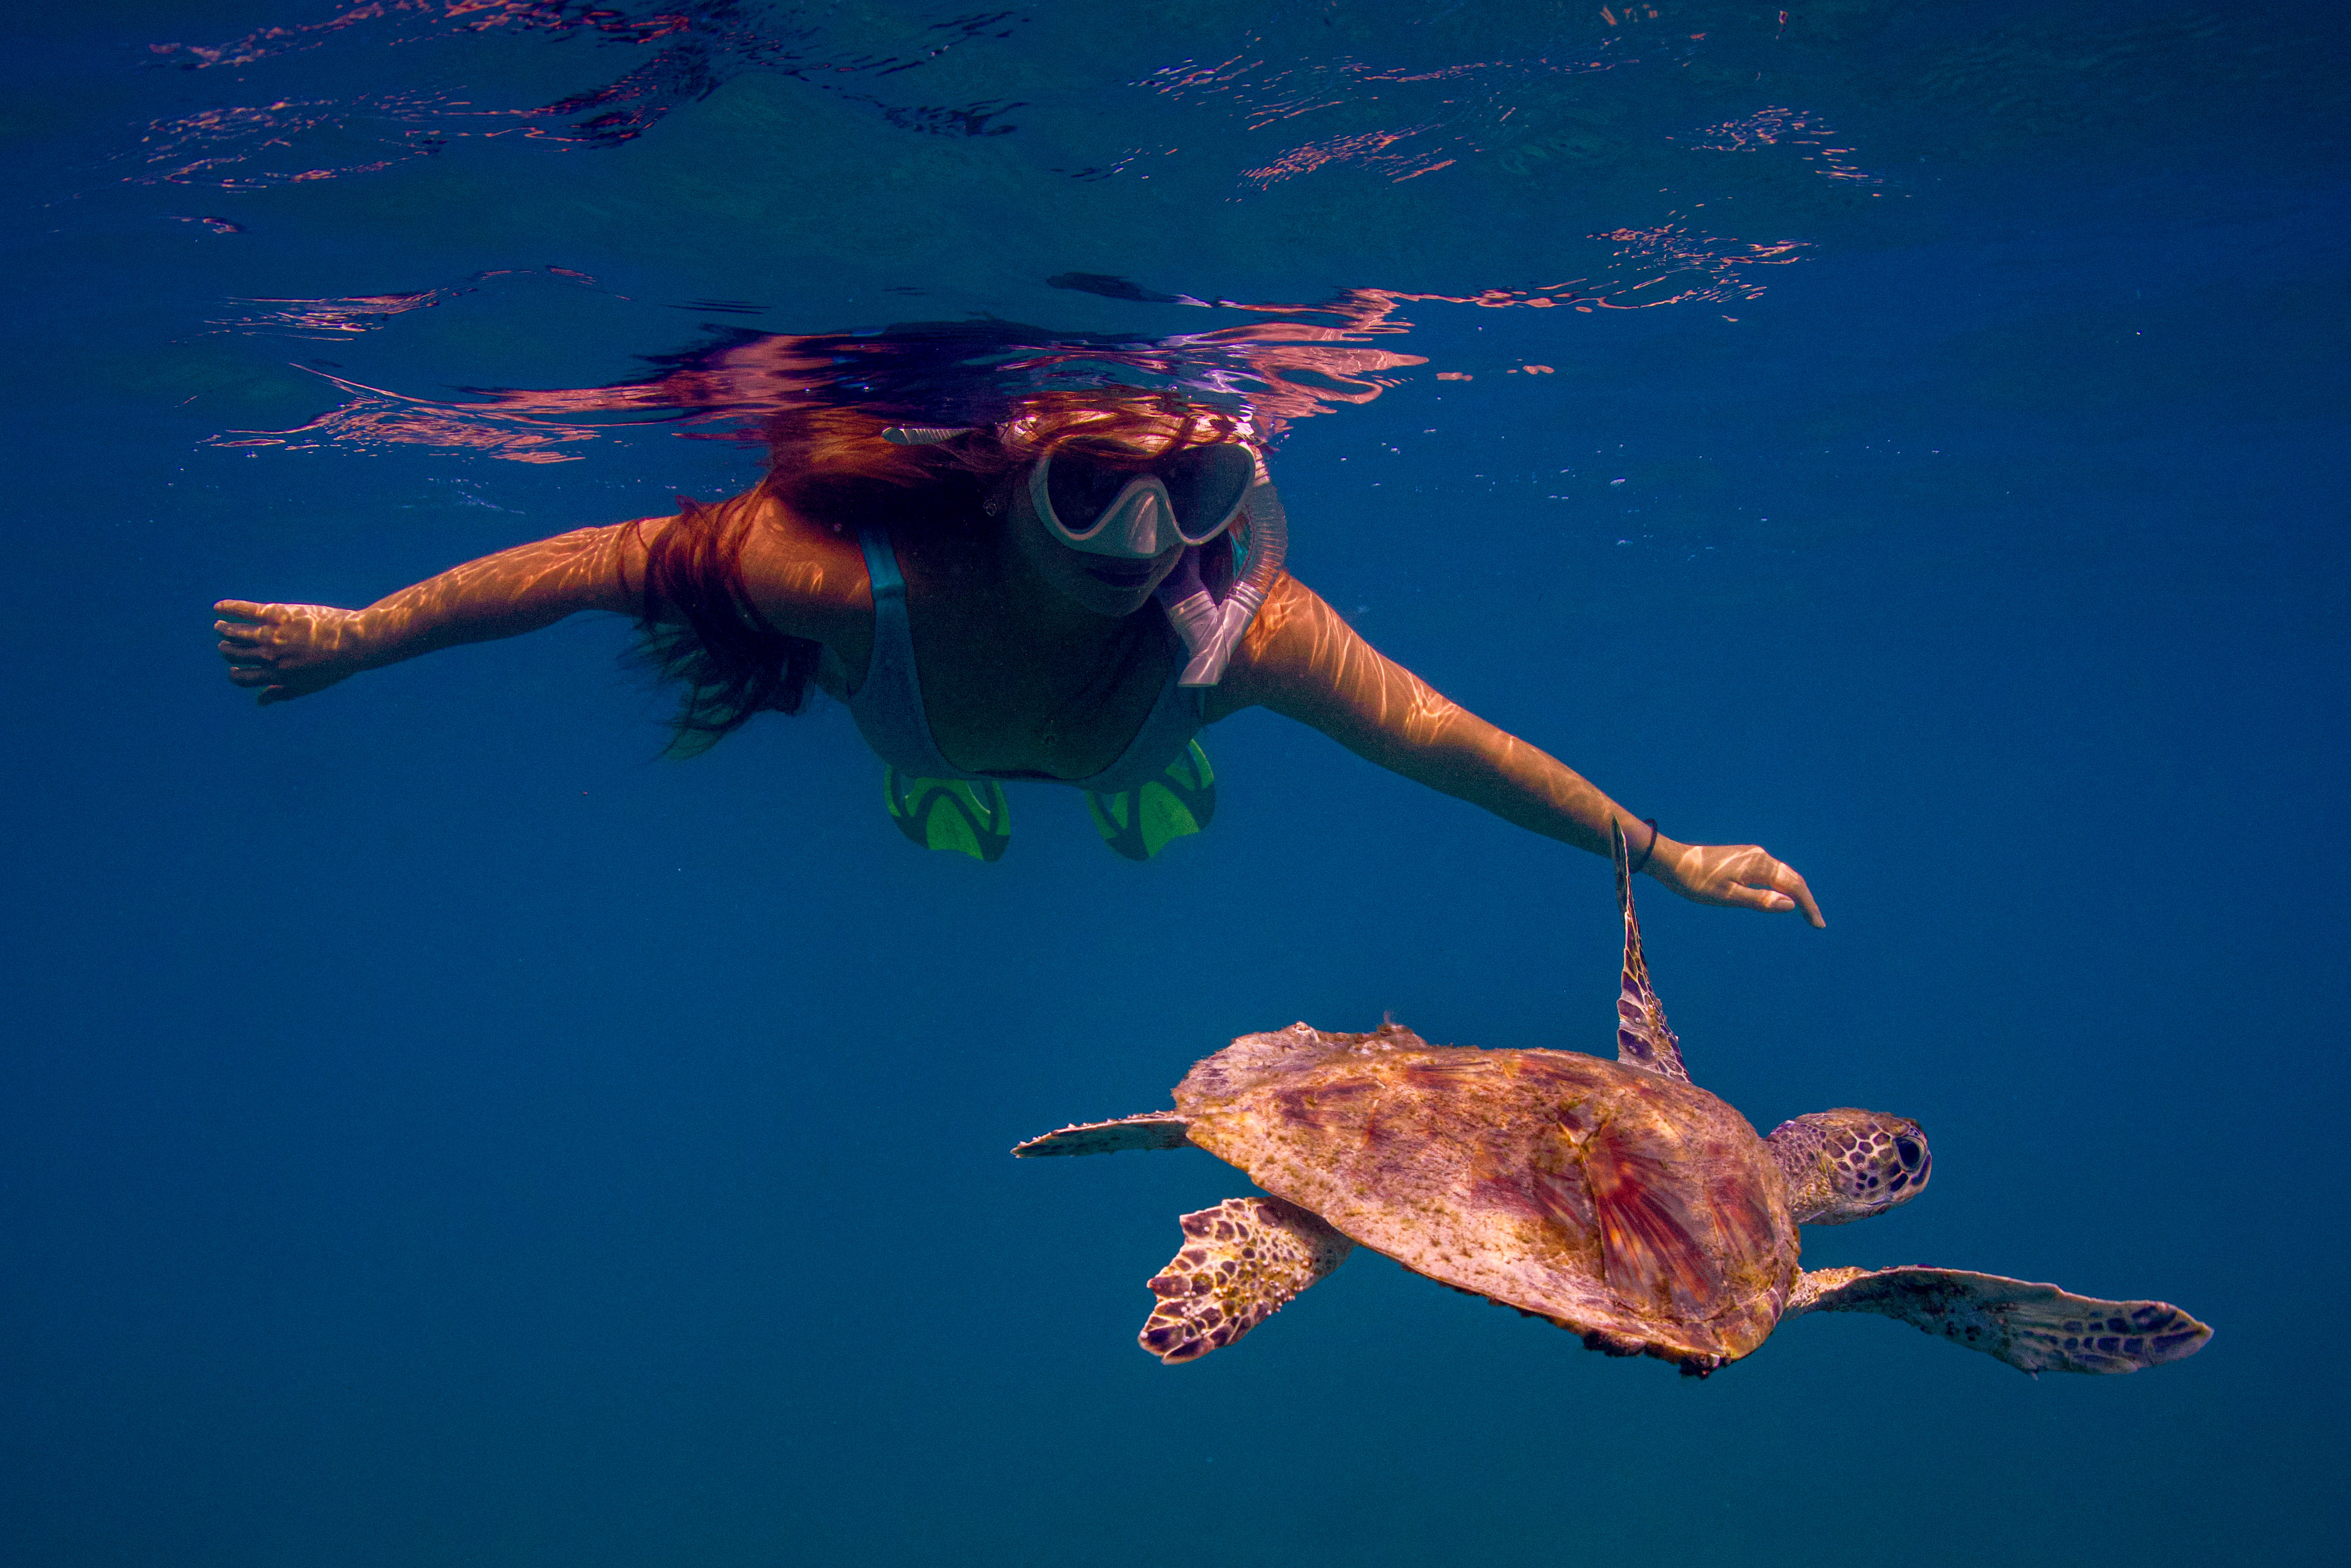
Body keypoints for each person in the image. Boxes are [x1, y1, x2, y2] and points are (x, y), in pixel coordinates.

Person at [213, 390, 1823, 923]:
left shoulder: (1248, 631)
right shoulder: (847, 578)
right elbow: (592, 569)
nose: (1142, 539)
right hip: (922, 715)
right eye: (1090, 485)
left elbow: (1445, 741)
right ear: (1003, 482)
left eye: (1190, 493)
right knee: (948, 769)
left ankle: (1097, 784)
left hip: (1130, 732)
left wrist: (1666, 854)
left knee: (1138, 762)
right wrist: (366, 635)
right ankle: (988, 787)